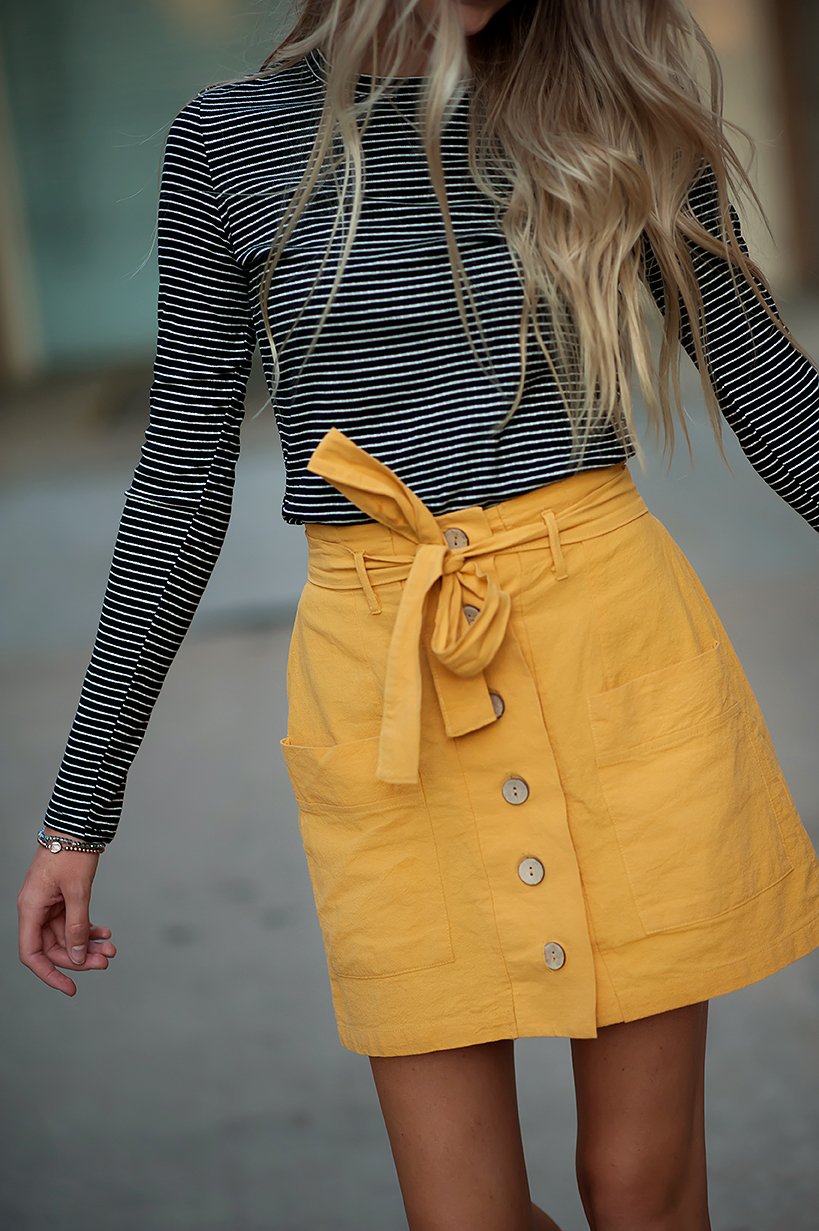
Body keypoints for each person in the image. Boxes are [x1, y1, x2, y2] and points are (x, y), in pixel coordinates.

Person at [17, 1, 819, 1228]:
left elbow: (765, 382)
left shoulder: (610, 107)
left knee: (638, 1192)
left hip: (613, 648)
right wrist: (80, 808)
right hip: (384, 687)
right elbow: (179, 476)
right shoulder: (229, 142)